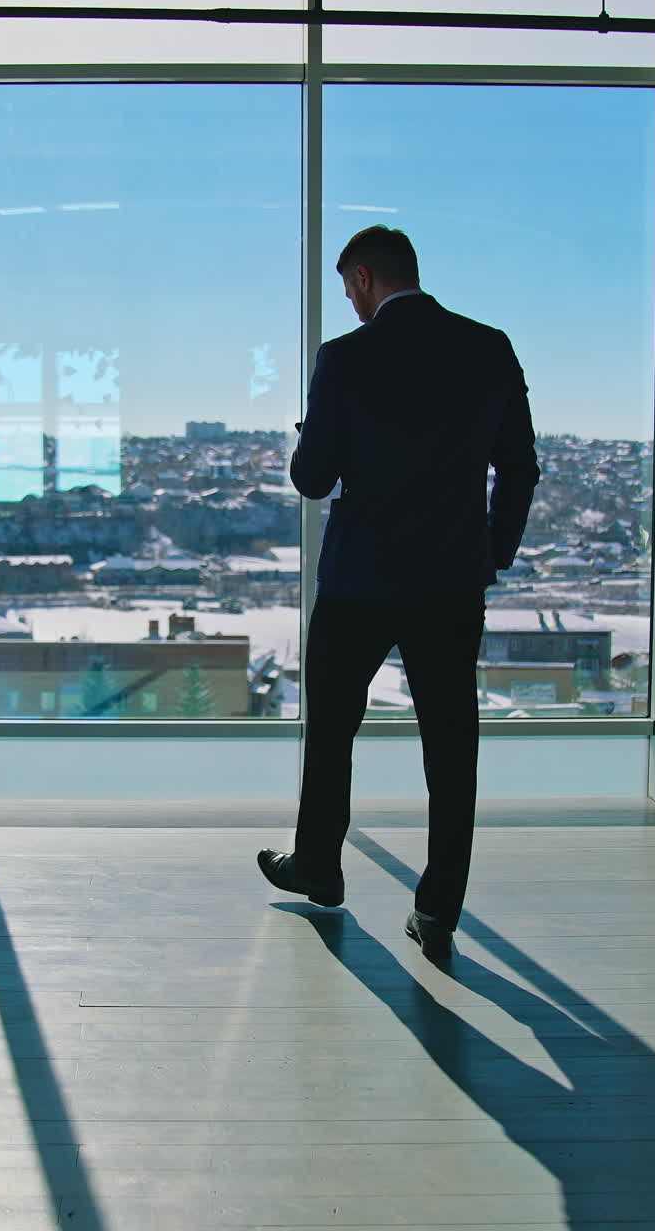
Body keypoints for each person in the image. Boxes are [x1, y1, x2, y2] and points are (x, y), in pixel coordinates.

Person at [258, 226, 539, 960]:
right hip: (450, 578)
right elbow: (520, 467)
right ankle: (439, 908)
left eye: (348, 288)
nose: (349, 301)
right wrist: (492, 552)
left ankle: (319, 865)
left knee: (331, 733)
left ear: (361, 279)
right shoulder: (489, 347)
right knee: (451, 748)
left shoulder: (345, 359)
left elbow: (313, 478)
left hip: (360, 580)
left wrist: (312, 432)